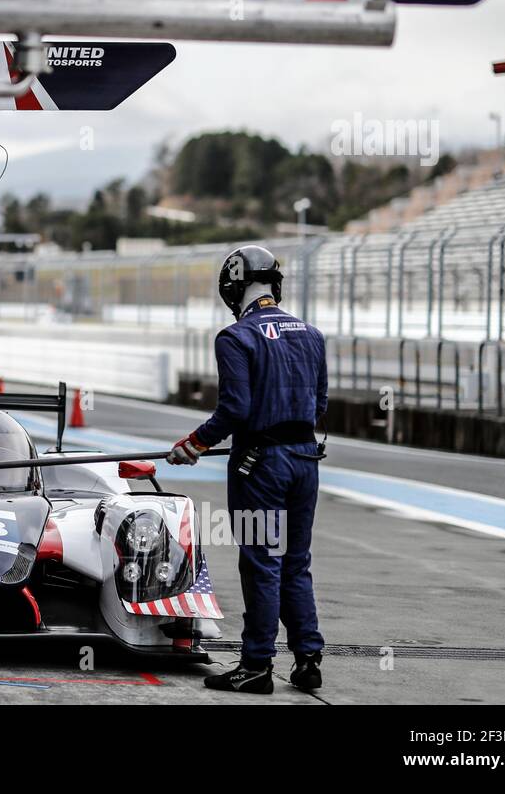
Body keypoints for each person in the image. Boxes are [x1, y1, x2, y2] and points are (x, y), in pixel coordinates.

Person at [167, 245, 326, 694]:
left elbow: (234, 409)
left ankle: (256, 665)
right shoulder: (312, 335)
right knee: (296, 563)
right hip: (306, 460)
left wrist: (194, 445)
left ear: (234, 288)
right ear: (273, 283)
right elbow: (321, 405)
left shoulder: (236, 337)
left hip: (260, 465)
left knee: (261, 564)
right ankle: (308, 658)